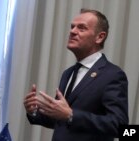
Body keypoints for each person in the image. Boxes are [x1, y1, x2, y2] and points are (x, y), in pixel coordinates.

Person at [24, 8, 128, 141]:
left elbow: (119, 126)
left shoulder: (112, 75)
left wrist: (71, 115)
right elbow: (60, 121)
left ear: (99, 37)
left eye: (81, 28)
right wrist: (33, 111)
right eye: (72, 27)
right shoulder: (68, 73)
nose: (72, 31)